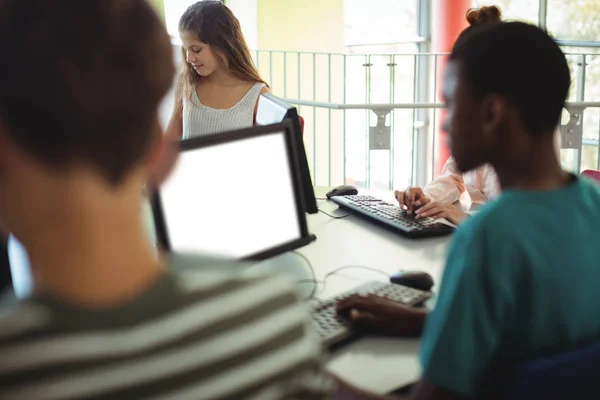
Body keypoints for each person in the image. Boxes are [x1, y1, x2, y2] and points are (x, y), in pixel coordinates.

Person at [338, 21, 600, 399]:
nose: (444, 124)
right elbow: (537, 338)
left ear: (492, 112)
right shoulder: (591, 205)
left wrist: (313, 376)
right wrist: (425, 322)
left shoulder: (490, 237)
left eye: (450, 104)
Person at [396, 6, 502, 225]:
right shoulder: (479, 121)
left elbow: (513, 226)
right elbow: (454, 178)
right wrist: (427, 198)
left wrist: (462, 218)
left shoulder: (521, 144)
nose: (446, 125)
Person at [166, 0, 270, 139]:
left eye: (196, 50)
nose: (189, 58)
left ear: (222, 45)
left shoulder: (259, 95)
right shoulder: (187, 84)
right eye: (186, 50)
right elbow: (169, 142)